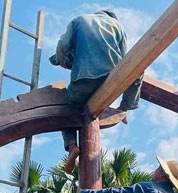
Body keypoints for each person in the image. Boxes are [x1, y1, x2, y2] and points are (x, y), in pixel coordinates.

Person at [51, 10, 143, 173]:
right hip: (113, 80)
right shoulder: (118, 27)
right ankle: (122, 105)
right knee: (137, 68)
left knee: (65, 106)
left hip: (85, 78)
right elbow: (128, 63)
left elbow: (63, 45)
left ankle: (72, 146)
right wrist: (125, 106)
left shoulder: (79, 20)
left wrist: (61, 60)